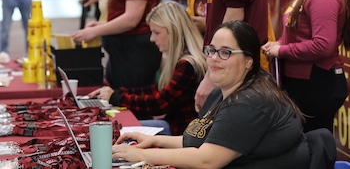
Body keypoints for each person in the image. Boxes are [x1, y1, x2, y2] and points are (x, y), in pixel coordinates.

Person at [112, 21, 310, 169]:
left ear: (249, 61)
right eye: (212, 50)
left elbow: (207, 160)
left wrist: (140, 155)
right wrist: (155, 141)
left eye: (226, 53)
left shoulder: (249, 102)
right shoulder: (222, 92)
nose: (214, 59)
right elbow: (198, 139)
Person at [262, 0, 350, 133]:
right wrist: (281, 43)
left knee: (313, 145)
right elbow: (300, 33)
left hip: (316, 84)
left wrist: (281, 50)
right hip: (303, 83)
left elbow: (323, 45)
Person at [89, 1, 207, 135]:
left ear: (174, 31)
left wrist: (117, 97)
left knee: (113, 131)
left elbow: (160, 103)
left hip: (181, 134)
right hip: (176, 128)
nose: (152, 38)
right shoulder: (181, 59)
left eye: (156, 32)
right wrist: (117, 93)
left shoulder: (188, 64)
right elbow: (157, 89)